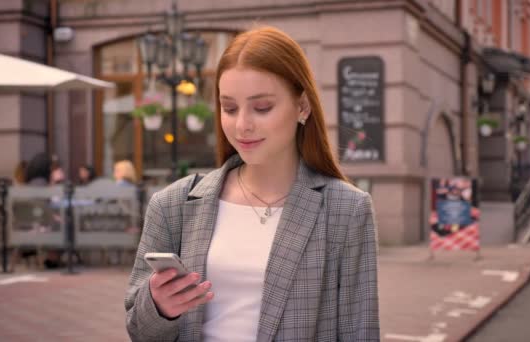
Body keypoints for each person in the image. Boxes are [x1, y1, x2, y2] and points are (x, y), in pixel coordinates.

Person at [125, 26, 380, 341]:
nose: (242, 125)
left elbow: (360, 333)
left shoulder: (347, 209)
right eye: (229, 108)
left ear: (302, 106)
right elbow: (138, 330)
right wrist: (159, 306)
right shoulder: (172, 205)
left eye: (262, 107)